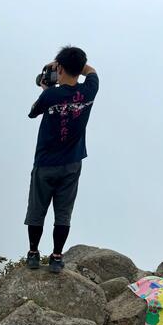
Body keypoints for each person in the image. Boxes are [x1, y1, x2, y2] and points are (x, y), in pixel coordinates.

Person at [25, 46, 99, 273]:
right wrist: (66, 63)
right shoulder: (89, 90)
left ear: (61, 67)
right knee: (63, 212)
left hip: (46, 163)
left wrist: (46, 86)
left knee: (37, 209)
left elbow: (32, 112)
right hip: (72, 162)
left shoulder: (50, 95)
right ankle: (56, 257)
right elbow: (92, 70)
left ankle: (34, 254)